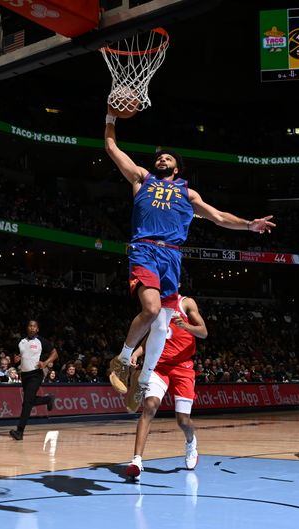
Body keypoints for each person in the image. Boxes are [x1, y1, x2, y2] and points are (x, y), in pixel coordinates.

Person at [104, 111, 276, 400]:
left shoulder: (188, 194)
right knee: (151, 310)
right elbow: (111, 148)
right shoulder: (141, 179)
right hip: (145, 248)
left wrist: (249, 224)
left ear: (177, 168)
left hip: (172, 257)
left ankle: (144, 379)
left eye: (168, 158)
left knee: (161, 325)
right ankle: (122, 359)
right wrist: (111, 116)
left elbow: (219, 216)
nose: (162, 159)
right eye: (159, 157)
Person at [124, 295, 207, 480]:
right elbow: (152, 336)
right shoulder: (155, 304)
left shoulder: (186, 303)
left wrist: (186, 326)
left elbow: (203, 332)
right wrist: (137, 352)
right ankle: (136, 460)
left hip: (183, 367)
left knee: (183, 420)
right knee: (150, 406)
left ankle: (191, 441)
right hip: (159, 366)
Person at [9, 320, 58, 441]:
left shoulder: (41, 341)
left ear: (37, 329)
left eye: (34, 326)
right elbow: (16, 357)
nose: (32, 328)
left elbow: (55, 353)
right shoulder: (21, 341)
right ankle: (48, 399)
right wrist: (14, 360)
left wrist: (45, 363)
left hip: (36, 374)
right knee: (29, 401)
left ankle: (19, 432)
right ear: (27, 328)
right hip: (24, 375)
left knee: (27, 403)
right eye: (30, 326)